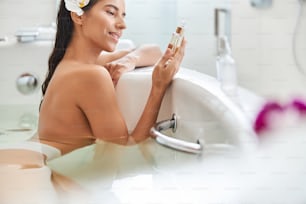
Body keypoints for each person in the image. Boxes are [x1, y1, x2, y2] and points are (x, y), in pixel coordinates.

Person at [0, 0, 186, 203]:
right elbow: (125, 155)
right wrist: (158, 87)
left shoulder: (76, 64)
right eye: (111, 12)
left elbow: (154, 51)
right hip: (24, 172)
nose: (122, 24)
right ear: (78, 15)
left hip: (22, 161)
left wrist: (129, 60)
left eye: (123, 15)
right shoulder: (91, 75)